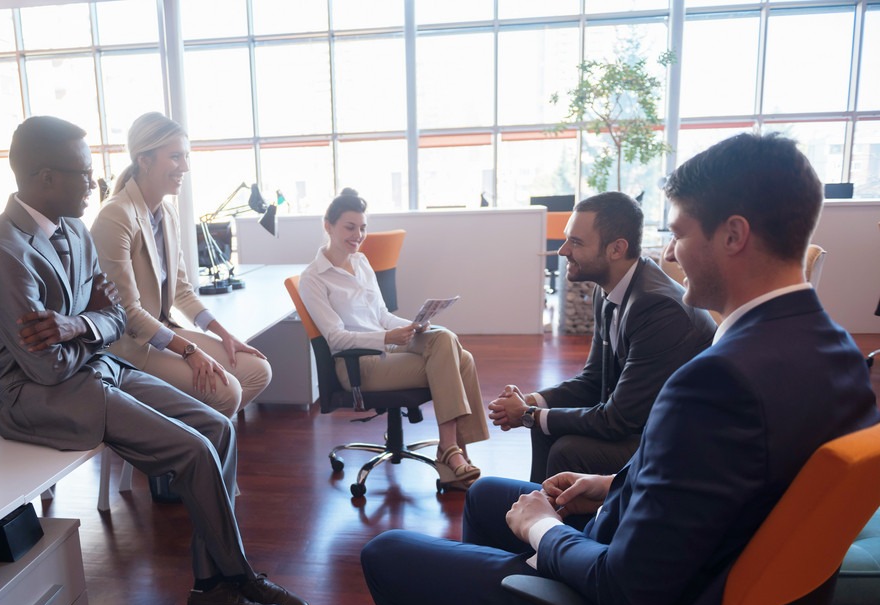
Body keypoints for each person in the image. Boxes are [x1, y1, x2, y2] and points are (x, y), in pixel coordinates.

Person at [361, 132, 880, 605]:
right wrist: (611, 484)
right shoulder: (839, 354)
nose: (669, 252)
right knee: (488, 494)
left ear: (733, 236)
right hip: (682, 570)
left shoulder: (719, 384)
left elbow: (625, 590)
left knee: (387, 552)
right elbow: (725, 483)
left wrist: (544, 528)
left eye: (678, 233)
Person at [0, 116, 310, 605]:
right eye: (83, 173)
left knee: (216, 426)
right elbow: (47, 363)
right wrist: (91, 327)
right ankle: (235, 579)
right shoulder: (0, 252)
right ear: (44, 178)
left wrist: (76, 325)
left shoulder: (75, 230)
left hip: (94, 368)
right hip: (43, 395)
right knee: (194, 450)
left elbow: (112, 315)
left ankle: (213, 585)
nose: (96, 182)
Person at [488, 192, 717, 483]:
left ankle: (557, 521)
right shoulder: (609, 287)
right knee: (549, 428)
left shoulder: (658, 308)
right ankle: (537, 513)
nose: (563, 250)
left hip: (678, 446)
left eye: (576, 242)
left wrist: (528, 414)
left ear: (616, 249)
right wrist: (531, 402)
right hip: (644, 424)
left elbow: (618, 420)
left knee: (567, 449)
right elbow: (593, 379)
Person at [298, 188, 488, 490]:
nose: (357, 235)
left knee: (446, 340)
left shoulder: (360, 263)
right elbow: (335, 339)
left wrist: (412, 326)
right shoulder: (313, 278)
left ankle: (453, 451)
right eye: (349, 227)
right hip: (358, 365)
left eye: (362, 228)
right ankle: (452, 454)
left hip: (386, 347)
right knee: (457, 359)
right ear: (328, 225)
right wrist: (389, 336)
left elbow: (382, 314)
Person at [92, 112, 270, 420]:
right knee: (227, 391)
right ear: (144, 160)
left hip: (164, 330)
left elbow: (183, 292)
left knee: (257, 371)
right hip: (130, 345)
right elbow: (127, 313)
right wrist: (189, 351)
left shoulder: (168, 214)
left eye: (185, 156)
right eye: (175, 157)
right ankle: (182, 453)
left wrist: (223, 333)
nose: (185, 167)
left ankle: (183, 446)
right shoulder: (115, 216)